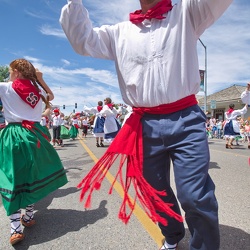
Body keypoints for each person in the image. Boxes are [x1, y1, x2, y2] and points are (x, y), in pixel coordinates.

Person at [60, 1, 233, 249]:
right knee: (154, 192)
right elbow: (82, 40)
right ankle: (172, 235)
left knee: (194, 196)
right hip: (143, 123)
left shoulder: (188, 12)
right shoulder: (118, 31)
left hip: (186, 118)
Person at [0, 59, 68, 245]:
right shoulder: (37, 91)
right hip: (34, 135)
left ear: (15, 71)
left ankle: (15, 228)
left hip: (13, 136)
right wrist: (40, 79)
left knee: (10, 179)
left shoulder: (6, 87)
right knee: (31, 177)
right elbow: (51, 96)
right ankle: (28, 216)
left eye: (10, 70)